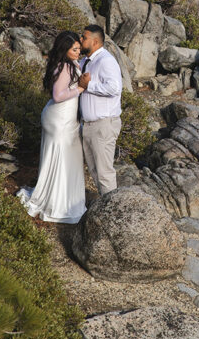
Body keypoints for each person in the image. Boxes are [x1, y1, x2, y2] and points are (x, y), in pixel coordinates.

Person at [16, 31, 87, 223]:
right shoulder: (64, 66)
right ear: (65, 49)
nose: (78, 52)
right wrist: (80, 88)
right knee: (60, 158)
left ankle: (65, 198)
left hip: (66, 119)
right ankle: (56, 201)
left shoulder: (68, 63)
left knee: (66, 159)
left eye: (79, 48)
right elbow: (57, 95)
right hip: (60, 120)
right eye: (74, 49)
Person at [78, 24, 123, 195]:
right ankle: (105, 207)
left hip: (103, 125)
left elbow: (114, 88)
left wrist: (89, 85)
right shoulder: (86, 61)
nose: (81, 40)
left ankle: (113, 213)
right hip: (88, 126)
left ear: (95, 41)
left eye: (84, 38)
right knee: (95, 172)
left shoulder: (106, 61)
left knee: (104, 173)